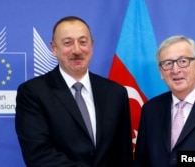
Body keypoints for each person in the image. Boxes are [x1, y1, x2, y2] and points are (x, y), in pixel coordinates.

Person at [15, 16, 133, 167]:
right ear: (54, 48)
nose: (77, 50)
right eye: (68, 43)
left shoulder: (116, 93)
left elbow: (123, 155)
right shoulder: (32, 92)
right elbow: (38, 155)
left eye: (83, 42)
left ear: (92, 45)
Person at [133, 35, 195, 167]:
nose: (175, 70)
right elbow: (142, 161)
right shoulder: (151, 109)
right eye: (168, 64)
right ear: (161, 73)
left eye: (183, 61)